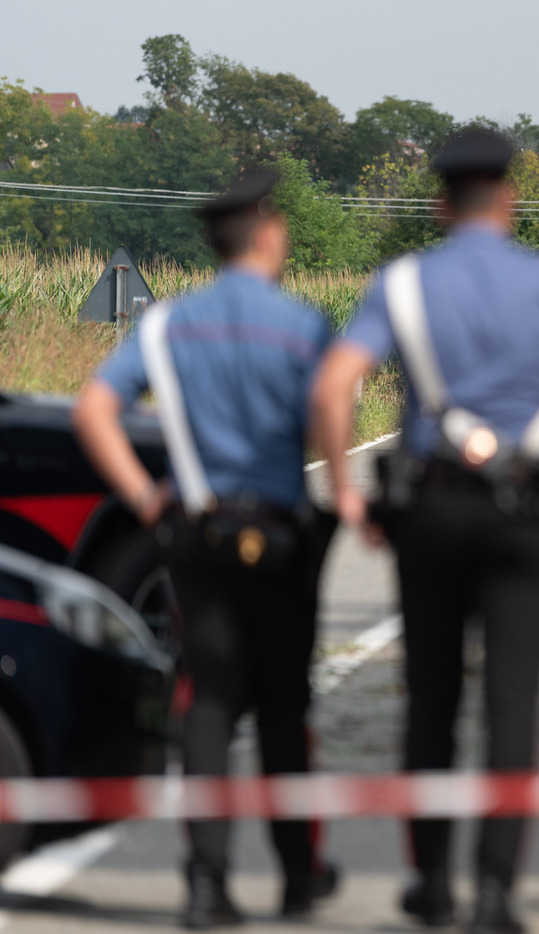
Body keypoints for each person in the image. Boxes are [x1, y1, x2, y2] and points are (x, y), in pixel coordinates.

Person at [310, 128, 539, 933]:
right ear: (508, 198)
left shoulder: (400, 285)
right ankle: (497, 891)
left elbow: (335, 389)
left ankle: (430, 881)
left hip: (431, 509)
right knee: (513, 701)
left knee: (430, 699)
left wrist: (344, 489)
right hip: (524, 516)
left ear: (439, 203)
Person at [72, 169, 340, 930]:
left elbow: (96, 409)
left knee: (209, 703)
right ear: (266, 234)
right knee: (287, 704)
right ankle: (298, 874)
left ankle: (205, 883)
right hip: (282, 533)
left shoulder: (164, 326)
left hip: (196, 530)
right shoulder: (302, 323)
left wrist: (145, 496)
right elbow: (330, 412)